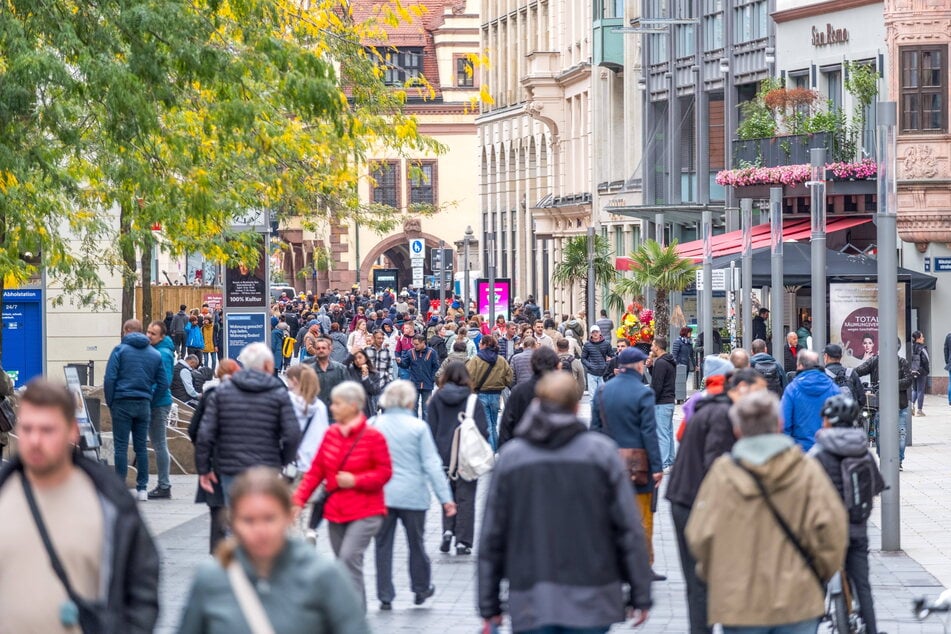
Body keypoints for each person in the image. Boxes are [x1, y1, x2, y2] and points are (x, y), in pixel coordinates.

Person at [479, 372, 653, 634]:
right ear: (576, 406)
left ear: (538, 402)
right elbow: (628, 527)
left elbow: (492, 534)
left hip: (531, 595)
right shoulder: (601, 453)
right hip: (593, 593)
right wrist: (640, 592)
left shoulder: (512, 458)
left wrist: (488, 603)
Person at [0, 378, 160, 632]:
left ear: (72, 431)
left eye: (47, 430)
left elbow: (142, 585)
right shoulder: (5, 493)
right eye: (28, 429)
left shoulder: (108, 500)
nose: (35, 440)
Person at [686, 390, 848, 633]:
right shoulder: (806, 470)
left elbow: (700, 535)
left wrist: (719, 576)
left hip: (741, 602)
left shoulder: (723, 474)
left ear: (737, 429)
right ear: (779, 424)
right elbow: (833, 530)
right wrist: (818, 573)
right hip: (798, 597)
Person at [178, 468, 370, 634]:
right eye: (248, 520)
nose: (260, 531)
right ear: (232, 523)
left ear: (289, 517)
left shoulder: (323, 575)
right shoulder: (211, 578)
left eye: (269, 519)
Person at [666, 369, 766, 634]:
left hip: (689, 499)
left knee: (704, 581)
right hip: (694, 503)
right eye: (758, 391)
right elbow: (717, 467)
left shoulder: (717, 408)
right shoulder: (723, 415)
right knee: (702, 581)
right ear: (741, 388)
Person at [293, 382, 392, 611]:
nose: (332, 407)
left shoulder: (373, 436)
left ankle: (353, 616)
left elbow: (384, 473)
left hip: (367, 511)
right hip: (336, 511)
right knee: (347, 564)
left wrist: (356, 480)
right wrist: (298, 500)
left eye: (337, 403)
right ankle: (357, 611)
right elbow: (316, 471)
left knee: (348, 559)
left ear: (354, 405)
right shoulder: (331, 434)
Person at [372, 381, 456, 610]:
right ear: (409, 401)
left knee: (382, 545)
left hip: (382, 495)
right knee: (416, 543)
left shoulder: (374, 425)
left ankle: (384, 593)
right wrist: (445, 498)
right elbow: (431, 464)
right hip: (413, 495)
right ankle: (420, 588)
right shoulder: (418, 427)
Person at [811, 394, 885, 634]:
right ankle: (871, 628)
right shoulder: (863, 452)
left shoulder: (817, 454)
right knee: (863, 586)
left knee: (814, 585)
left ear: (827, 422)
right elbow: (875, 485)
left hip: (825, 533)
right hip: (856, 530)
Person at [589, 346, 665, 579]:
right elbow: (649, 433)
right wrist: (657, 467)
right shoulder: (644, 394)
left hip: (609, 463)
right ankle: (643, 564)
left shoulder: (602, 391)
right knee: (643, 517)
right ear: (639, 366)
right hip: (639, 465)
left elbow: (595, 429)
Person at [196, 343, 301, 504]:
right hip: (267, 466)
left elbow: (205, 433)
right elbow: (292, 434)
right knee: (264, 516)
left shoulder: (222, 392)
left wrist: (204, 469)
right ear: (267, 365)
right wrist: (284, 461)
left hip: (231, 468)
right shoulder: (279, 393)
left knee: (236, 518)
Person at [427, 362, 490, 556]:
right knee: (467, 498)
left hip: (444, 454)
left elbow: (431, 427)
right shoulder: (472, 400)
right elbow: (482, 430)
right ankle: (463, 541)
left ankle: (447, 529)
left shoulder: (437, 398)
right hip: (466, 455)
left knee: (448, 495)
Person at [104, 319, 169, 500]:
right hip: (143, 404)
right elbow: (163, 382)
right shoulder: (154, 354)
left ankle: (120, 488)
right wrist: (150, 397)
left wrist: (111, 401)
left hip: (122, 403)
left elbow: (110, 378)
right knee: (141, 447)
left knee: (121, 447)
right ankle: (142, 489)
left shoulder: (119, 350)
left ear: (126, 330)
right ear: (141, 331)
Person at [189, 359, 241, 554]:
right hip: (237, 461)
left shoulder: (210, 395)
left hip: (213, 461)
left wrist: (204, 456)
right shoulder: (243, 395)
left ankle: (218, 556)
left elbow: (194, 429)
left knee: (217, 511)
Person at [855, 338, 913, 469]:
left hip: (900, 404)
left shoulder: (902, 362)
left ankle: (898, 460)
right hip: (881, 405)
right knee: (880, 434)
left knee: (901, 434)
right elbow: (858, 371)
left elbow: (909, 381)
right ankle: (884, 458)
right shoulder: (875, 360)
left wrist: (890, 383)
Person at [498, 347, 560, 448]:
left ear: (532, 365)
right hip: (554, 450)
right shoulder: (561, 390)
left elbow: (506, 426)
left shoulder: (519, 391)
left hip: (523, 448)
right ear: (556, 366)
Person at [780, 350, 841, 452]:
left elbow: (784, 424)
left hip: (800, 453)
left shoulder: (792, 390)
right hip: (827, 452)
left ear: (799, 366)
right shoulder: (833, 388)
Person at [465, 335, 513, 451]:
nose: (479, 345)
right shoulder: (501, 360)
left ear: (485, 345)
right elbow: (509, 377)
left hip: (481, 393)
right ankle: (496, 448)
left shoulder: (476, 360)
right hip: (496, 394)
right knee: (493, 423)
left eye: (480, 343)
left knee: (487, 424)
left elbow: (469, 376)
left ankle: (491, 450)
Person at [145, 320, 175, 500]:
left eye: (153, 333)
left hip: (158, 403)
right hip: (157, 401)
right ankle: (163, 484)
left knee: (159, 443)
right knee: (158, 443)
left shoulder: (162, 354)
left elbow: (163, 382)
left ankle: (164, 485)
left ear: (162, 336)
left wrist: (150, 399)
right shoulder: (157, 350)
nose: (149, 335)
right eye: (148, 332)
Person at [285, 365, 330, 477]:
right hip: (313, 466)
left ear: (294, 381)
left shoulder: (286, 401)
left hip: (291, 464)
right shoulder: (320, 406)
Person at [397, 334, 440, 421]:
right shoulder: (410, 352)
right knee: (413, 408)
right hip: (414, 384)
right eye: (414, 344)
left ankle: (426, 427)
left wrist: (432, 378)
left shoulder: (432, 352)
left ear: (423, 342)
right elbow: (405, 365)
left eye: (416, 344)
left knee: (426, 409)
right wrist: (400, 362)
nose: (414, 346)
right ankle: (414, 425)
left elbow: (436, 367)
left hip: (427, 384)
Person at [650, 336, 677, 470]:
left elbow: (657, 384)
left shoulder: (660, 363)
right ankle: (670, 460)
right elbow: (659, 379)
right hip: (669, 400)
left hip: (661, 402)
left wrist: (651, 400)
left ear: (657, 347)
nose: (650, 348)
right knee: (667, 432)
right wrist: (650, 368)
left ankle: (664, 462)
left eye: (652, 345)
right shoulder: (669, 361)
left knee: (662, 433)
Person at [304, 337, 349, 409]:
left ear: (330, 349)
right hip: (315, 410)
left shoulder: (340, 369)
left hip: (335, 411)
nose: (321, 350)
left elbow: (347, 390)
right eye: (318, 348)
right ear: (315, 350)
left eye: (323, 348)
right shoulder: (309, 370)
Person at [346, 349, 382, 417]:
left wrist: (366, 378)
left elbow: (376, 391)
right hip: (352, 405)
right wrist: (350, 356)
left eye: (360, 357)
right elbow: (342, 367)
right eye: (355, 358)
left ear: (365, 358)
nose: (357, 360)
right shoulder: (350, 370)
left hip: (367, 406)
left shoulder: (374, 373)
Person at [582, 325, 613, 395]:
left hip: (603, 373)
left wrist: (606, 365)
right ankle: (593, 406)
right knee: (592, 396)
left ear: (600, 332)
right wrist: (590, 366)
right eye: (593, 332)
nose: (595, 334)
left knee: (602, 396)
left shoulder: (606, 344)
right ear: (591, 334)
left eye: (597, 332)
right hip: (591, 373)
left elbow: (612, 356)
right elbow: (583, 358)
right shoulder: (587, 345)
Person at [671, 327, 695, 403]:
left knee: (684, 381)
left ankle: (681, 396)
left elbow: (691, 355)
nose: (690, 334)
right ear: (685, 332)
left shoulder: (689, 343)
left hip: (686, 365)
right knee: (679, 381)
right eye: (689, 332)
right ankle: (679, 397)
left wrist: (694, 365)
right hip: (680, 365)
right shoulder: (678, 342)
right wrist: (675, 364)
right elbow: (674, 354)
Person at [910, 330, 931, 416]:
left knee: (914, 389)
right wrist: (926, 370)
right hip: (921, 371)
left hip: (913, 370)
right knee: (920, 390)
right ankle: (919, 410)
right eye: (922, 337)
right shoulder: (922, 348)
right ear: (918, 339)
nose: (923, 338)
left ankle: (911, 406)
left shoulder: (911, 347)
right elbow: (926, 360)